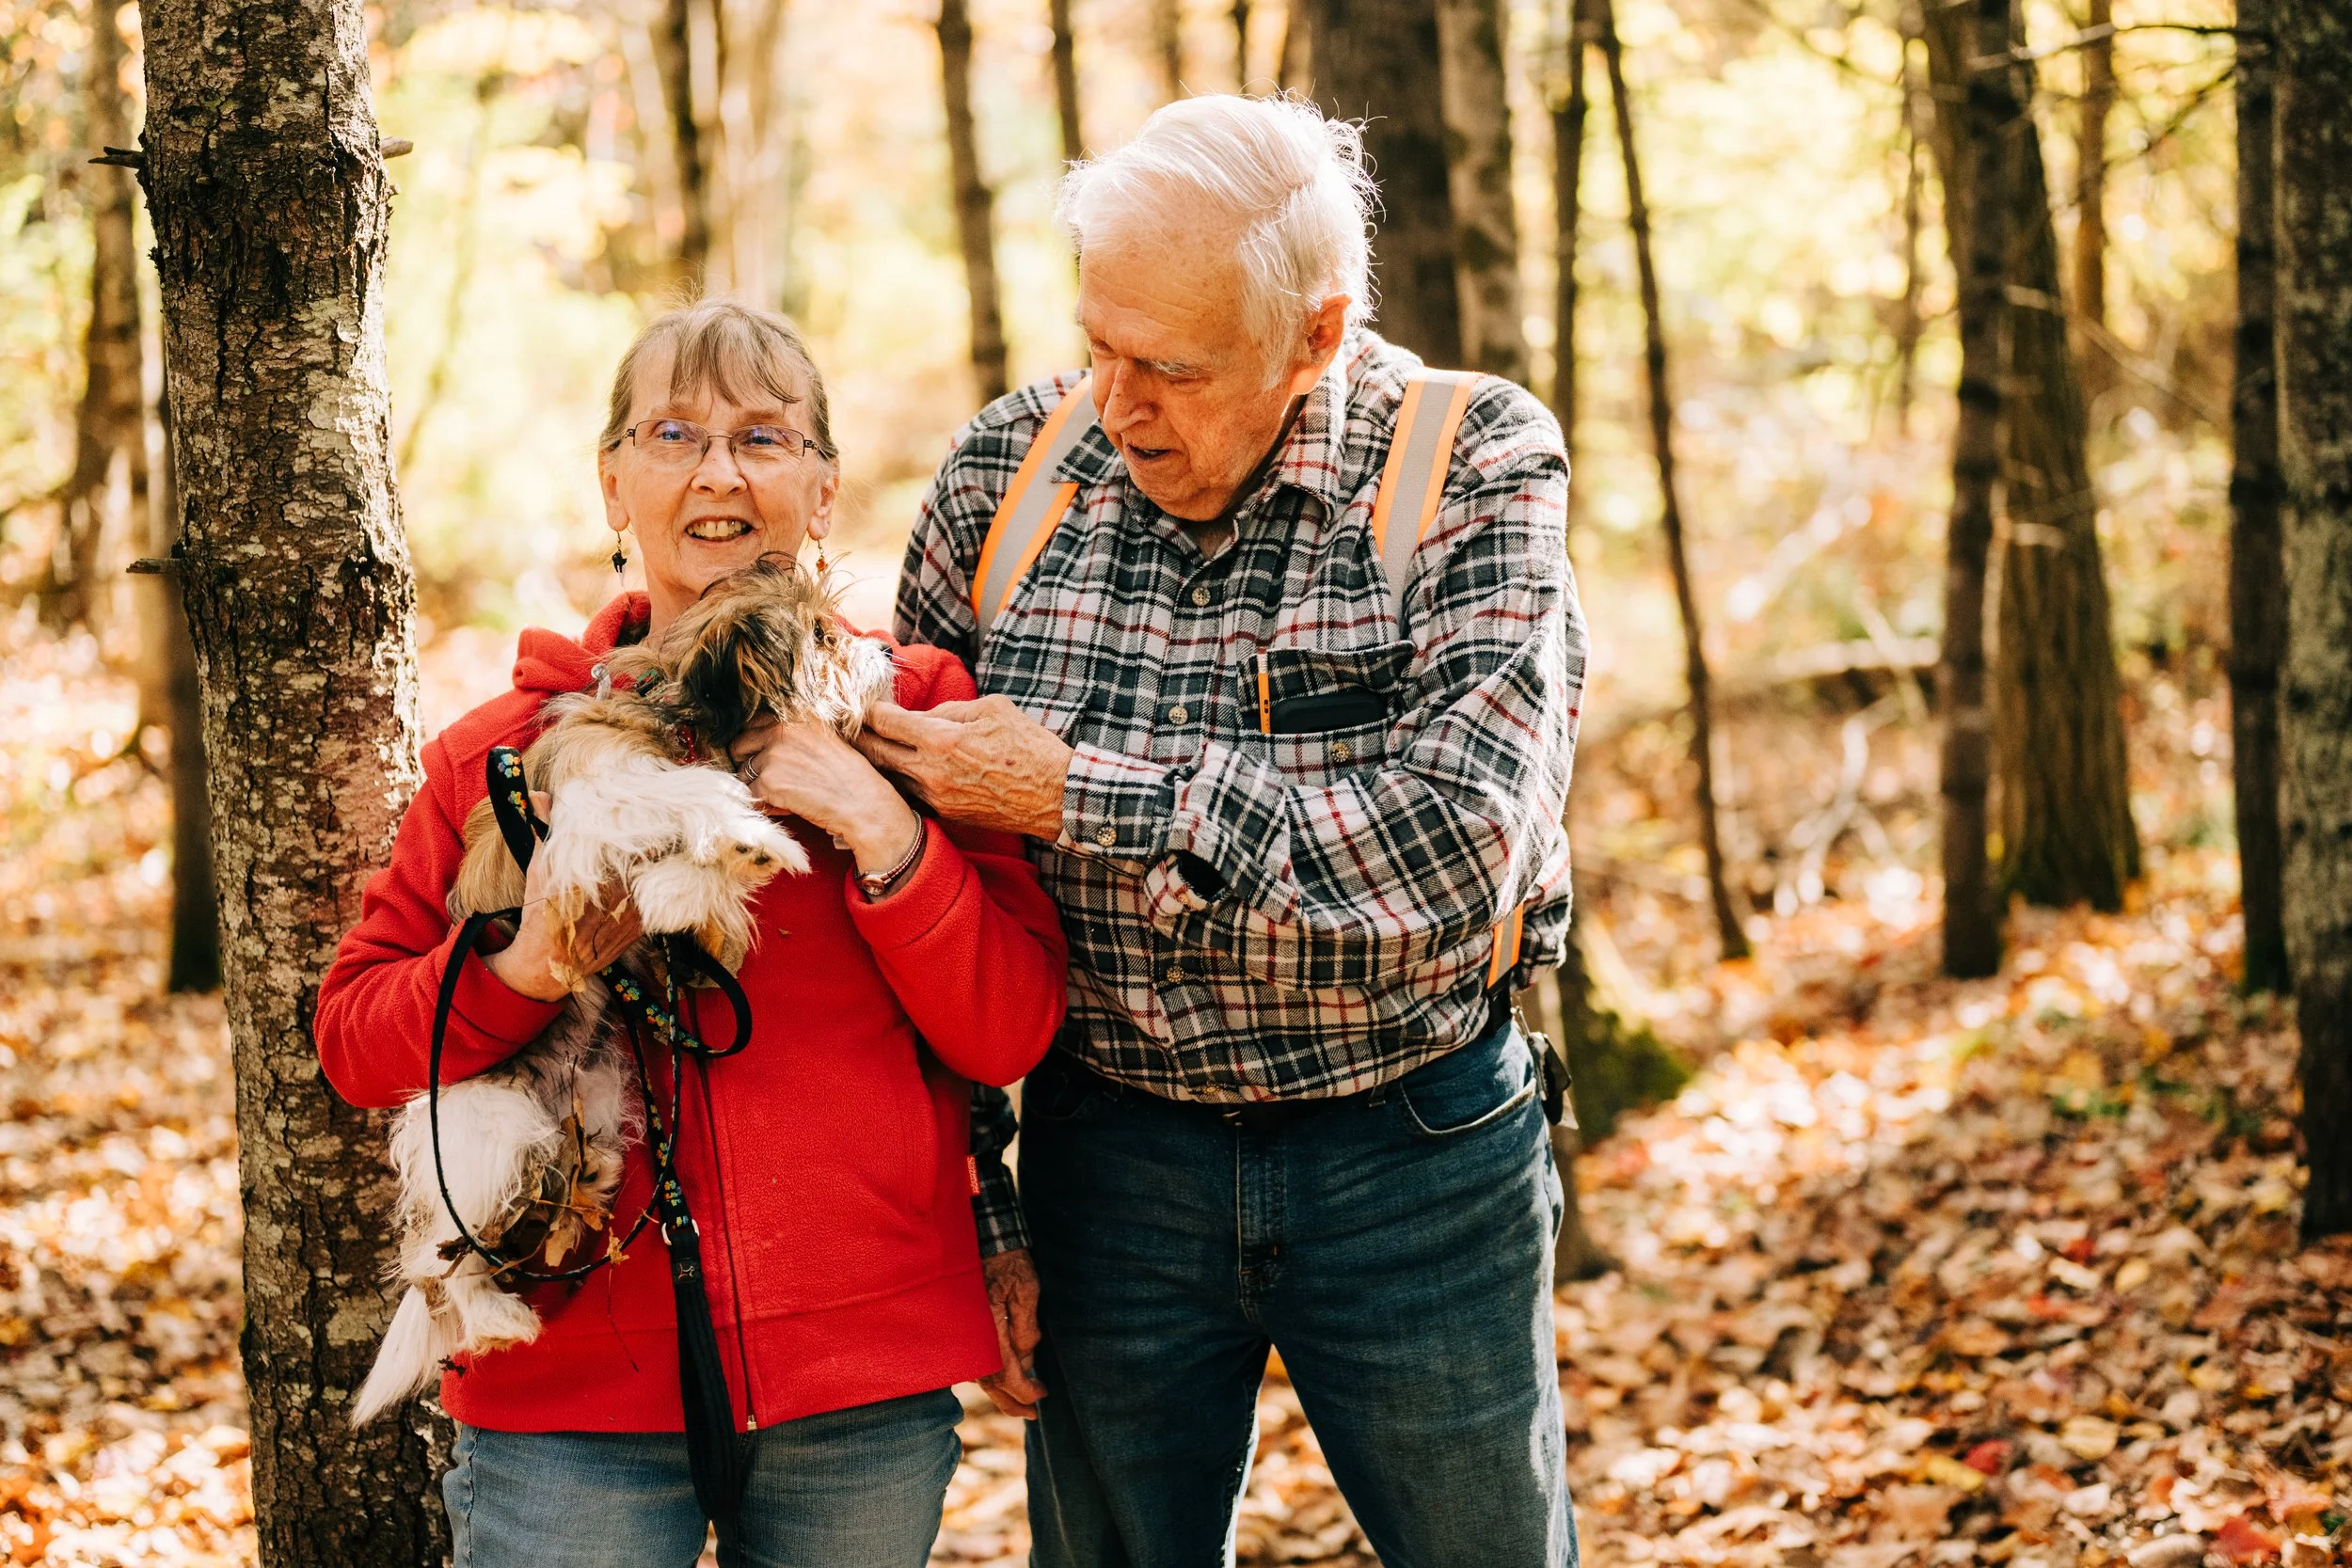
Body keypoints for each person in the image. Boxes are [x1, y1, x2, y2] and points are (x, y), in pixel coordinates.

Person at [862, 94, 1586, 1568]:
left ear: (1315, 338)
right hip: (1106, 1161)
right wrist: (975, 1206)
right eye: (1099, 346)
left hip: (1415, 1148)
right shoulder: (1007, 473)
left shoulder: (1473, 464)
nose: (1119, 406)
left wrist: (1080, 794)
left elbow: (1456, 853)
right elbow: (916, 878)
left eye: (1172, 370)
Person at [315, 299, 1069, 1568]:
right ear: (615, 483)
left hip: (857, 1391)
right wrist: (528, 964)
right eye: (674, 433)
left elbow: (1012, 1020)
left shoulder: (921, 715)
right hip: (567, 1397)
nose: (719, 469)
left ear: (822, 488)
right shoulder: (501, 752)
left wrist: (875, 821)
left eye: (764, 436)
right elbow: (353, 1040)